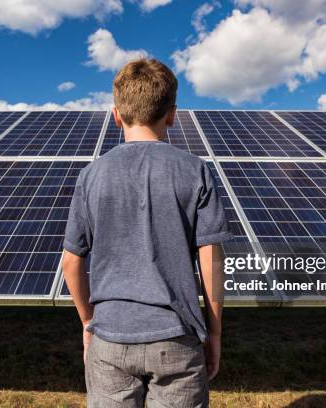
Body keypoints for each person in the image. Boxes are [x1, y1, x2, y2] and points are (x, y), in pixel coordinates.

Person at [62, 58, 232, 408]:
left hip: (109, 338)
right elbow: (211, 261)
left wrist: (87, 321)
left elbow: (71, 262)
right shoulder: (196, 171)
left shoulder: (90, 177)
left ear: (116, 114)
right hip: (177, 339)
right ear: (172, 114)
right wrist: (213, 333)